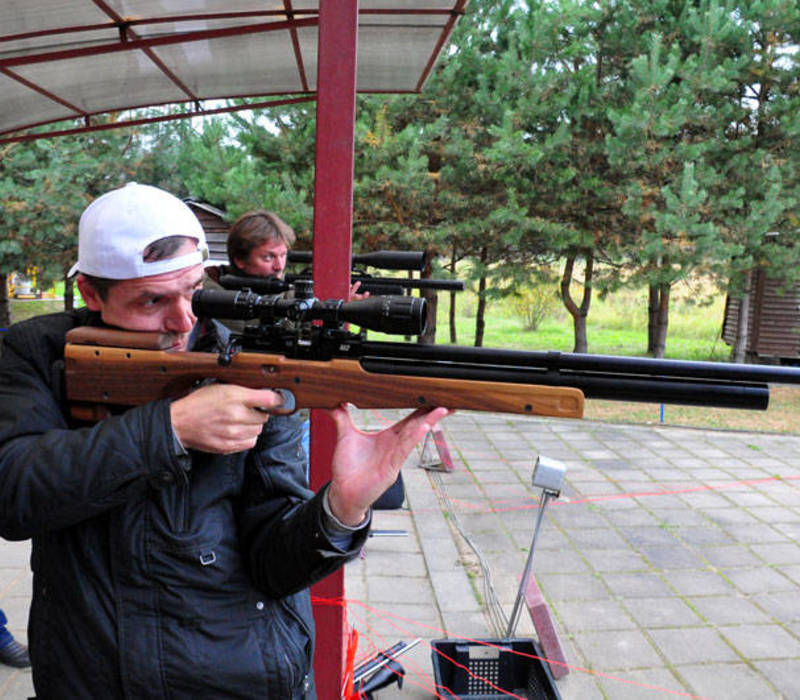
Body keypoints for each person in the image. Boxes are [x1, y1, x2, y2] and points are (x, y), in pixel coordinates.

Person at [0, 182, 448, 698]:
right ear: (91, 294)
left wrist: (342, 508)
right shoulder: (40, 351)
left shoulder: (247, 363)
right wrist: (170, 428)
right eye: (152, 300)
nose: (184, 321)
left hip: (240, 676)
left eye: (194, 291)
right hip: (94, 676)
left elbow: (274, 565)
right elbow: (12, 491)